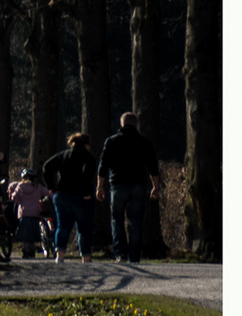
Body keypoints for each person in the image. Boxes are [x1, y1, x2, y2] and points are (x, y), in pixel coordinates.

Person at [97, 112, 161, 264]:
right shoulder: (144, 142)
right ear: (136, 124)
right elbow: (153, 167)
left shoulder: (111, 141)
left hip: (117, 185)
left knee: (117, 220)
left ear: (121, 124)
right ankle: (134, 256)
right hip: (138, 185)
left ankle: (121, 255)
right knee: (136, 222)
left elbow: (103, 165)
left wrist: (100, 186)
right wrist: (155, 187)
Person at [41, 132, 98, 262]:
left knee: (62, 226)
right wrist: (86, 192)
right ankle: (86, 257)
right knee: (84, 228)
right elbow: (87, 174)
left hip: (62, 195)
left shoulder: (64, 155)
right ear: (86, 145)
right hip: (80, 197)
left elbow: (47, 167)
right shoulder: (88, 157)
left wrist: (51, 186)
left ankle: (60, 255)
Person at [7, 168, 52, 259]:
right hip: (35, 213)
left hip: (24, 213)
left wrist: (15, 198)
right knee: (33, 233)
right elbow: (48, 193)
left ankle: (26, 251)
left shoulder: (20, 186)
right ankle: (32, 250)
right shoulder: (38, 187)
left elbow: (14, 197)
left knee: (25, 234)